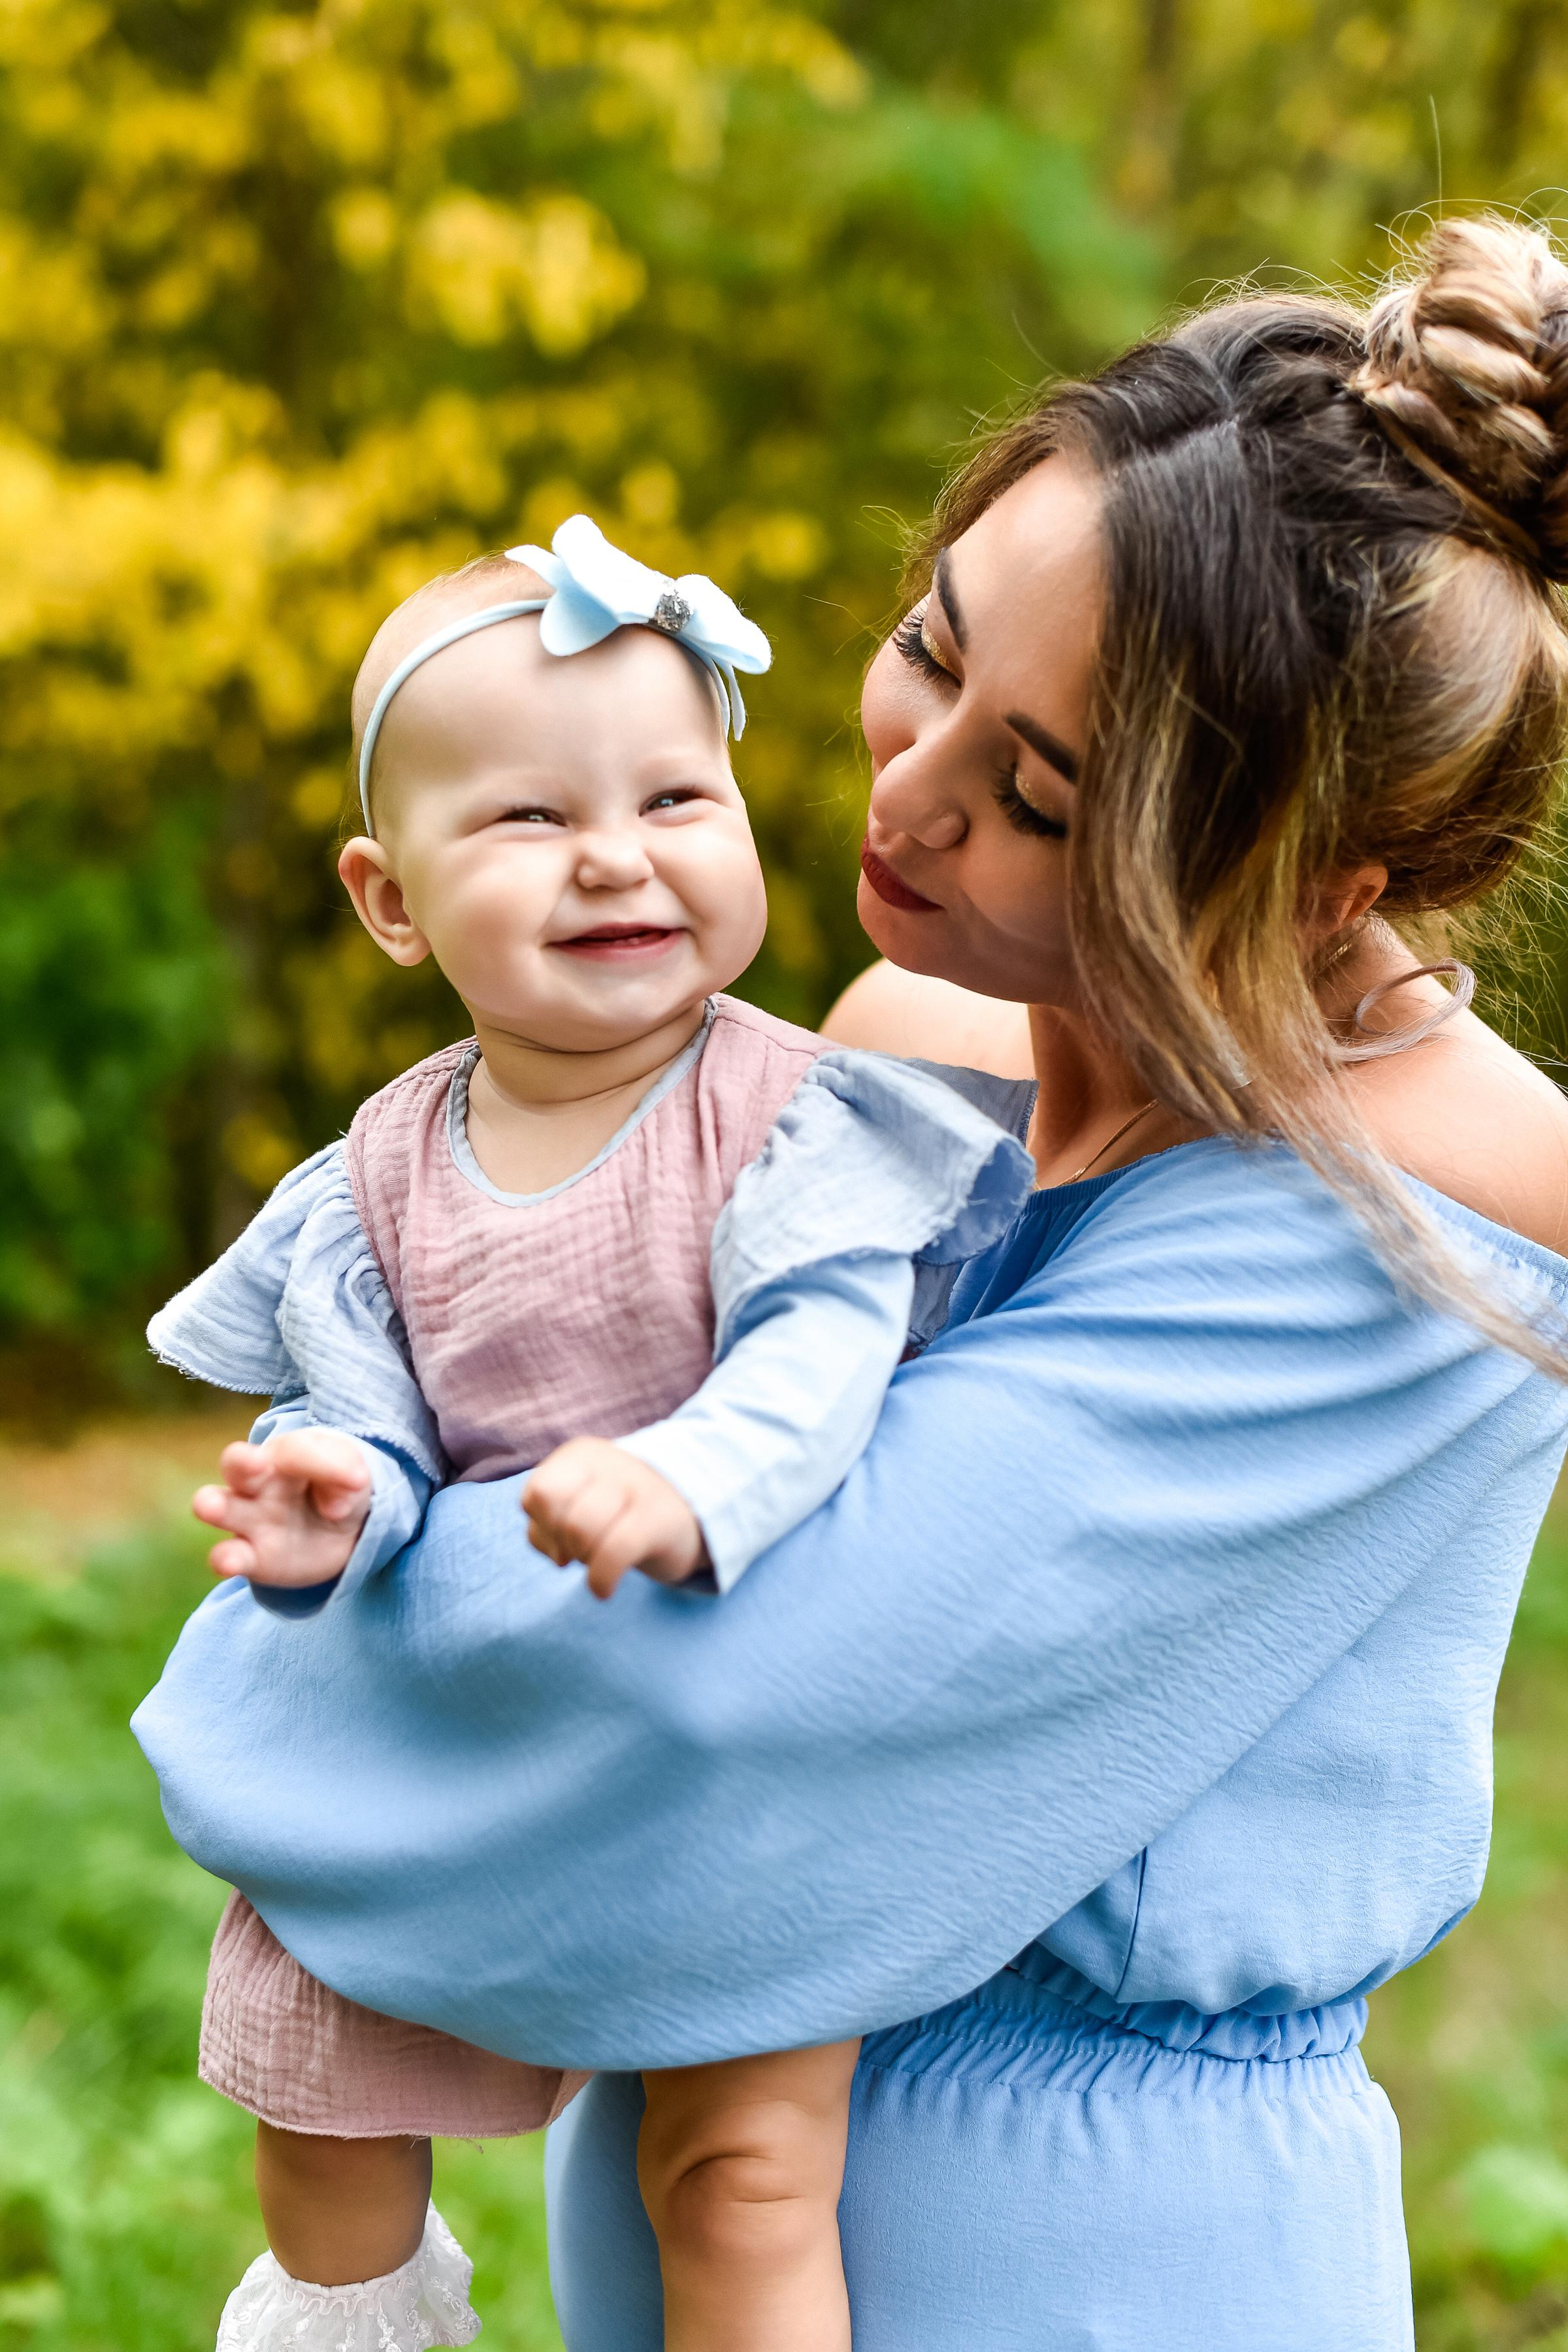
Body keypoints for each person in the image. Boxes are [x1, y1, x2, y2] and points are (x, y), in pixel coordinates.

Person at [135, 214, 1568, 2349]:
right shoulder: (903, 1057)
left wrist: (291, 1673)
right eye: (931, 643)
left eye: (1039, 792)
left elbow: (686, 1714)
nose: (903, 790)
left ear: (1311, 878)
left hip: (1084, 2267)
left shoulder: (1433, 1231)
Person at [144, 515, 1033, 2351]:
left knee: (738, 2169)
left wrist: (690, 1471)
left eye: (677, 800)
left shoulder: (792, 1119)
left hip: (729, 1725)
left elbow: (822, 1349)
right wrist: (339, 1501)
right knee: (319, 2084)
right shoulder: (383, 1165)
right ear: (391, 901)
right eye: (533, 820)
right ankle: (363, 2319)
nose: (618, 857)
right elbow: (366, 1400)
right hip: (470, 1712)